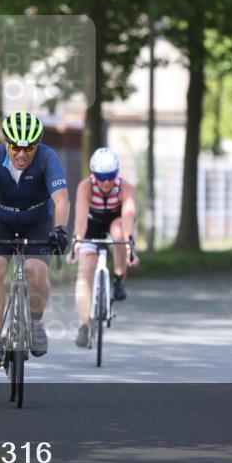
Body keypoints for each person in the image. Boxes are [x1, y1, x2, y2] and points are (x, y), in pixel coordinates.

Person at [0, 111, 70, 366]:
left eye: (29, 148)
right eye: (16, 147)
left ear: (37, 146)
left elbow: (61, 199)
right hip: (0, 221)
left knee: (35, 269)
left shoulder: (48, 158)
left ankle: (36, 323)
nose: (22, 154)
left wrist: (60, 229)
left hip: (37, 221)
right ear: (7, 144)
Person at [68, 147, 139, 348]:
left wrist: (130, 249)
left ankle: (118, 279)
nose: (106, 182)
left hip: (116, 221)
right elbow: (80, 220)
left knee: (118, 234)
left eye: (110, 176)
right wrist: (77, 243)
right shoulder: (86, 187)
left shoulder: (125, 188)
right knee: (85, 271)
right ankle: (83, 325)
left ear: (117, 174)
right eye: (101, 177)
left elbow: (127, 219)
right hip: (92, 223)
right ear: (93, 174)